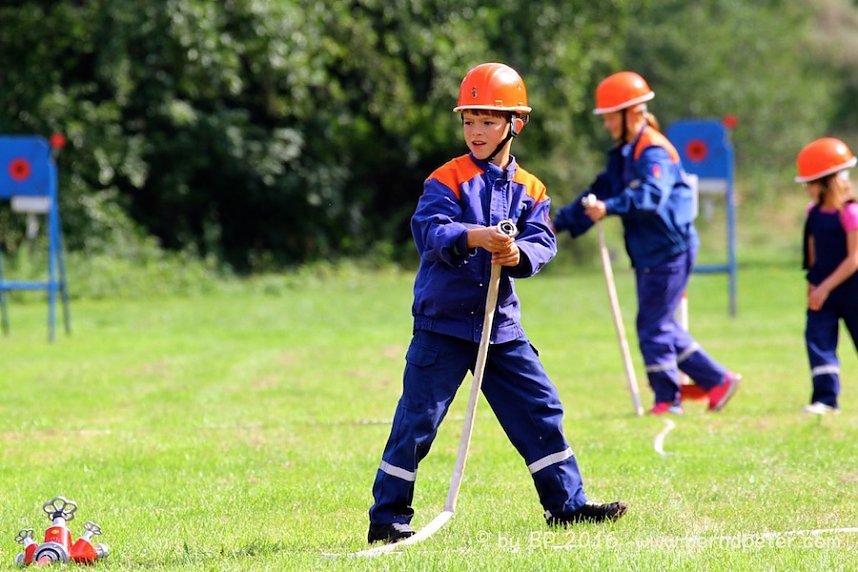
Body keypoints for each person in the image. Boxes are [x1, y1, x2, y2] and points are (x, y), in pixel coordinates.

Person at [367, 62, 627, 545]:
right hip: (442, 325)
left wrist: (517, 253)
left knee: (540, 408)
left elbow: (542, 241)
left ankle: (566, 507)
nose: (476, 131)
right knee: (416, 421)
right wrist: (476, 237)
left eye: (488, 120)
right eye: (469, 120)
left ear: (515, 125)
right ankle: (387, 519)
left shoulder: (532, 188)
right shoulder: (445, 179)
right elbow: (430, 231)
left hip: (499, 327)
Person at [551, 71, 741, 416]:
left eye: (611, 116)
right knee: (661, 323)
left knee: (653, 326)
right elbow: (601, 189)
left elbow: (650, 196)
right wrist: (558, 221)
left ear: (634, 113)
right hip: (649, 253)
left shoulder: (653, 151)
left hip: (670, 251)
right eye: (606, 117)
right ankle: (717, 380)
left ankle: (668, 401)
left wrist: (608, 208)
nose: (607, 124)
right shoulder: (624, 152)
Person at [796, 137, 858, 415]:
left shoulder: (851, 213)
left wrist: (826, 287)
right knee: (818, 340)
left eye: (810, 183)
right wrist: (813, 286)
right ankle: (826, 399)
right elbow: (812, 254)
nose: (807, 189)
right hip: (823, 290)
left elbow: (854, 257)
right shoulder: (812, 213)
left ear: (827, 182)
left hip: (851, 288)